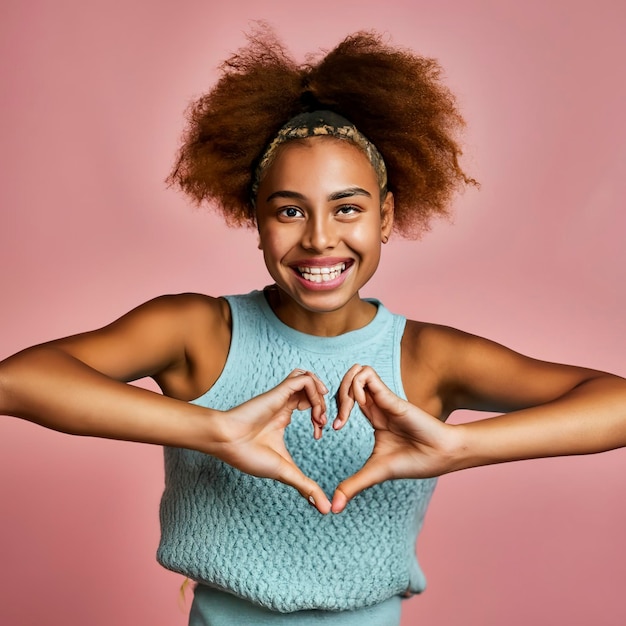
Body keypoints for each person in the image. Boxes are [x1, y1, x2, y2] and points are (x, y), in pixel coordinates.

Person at [1, 27, 625, 626]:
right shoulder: (195, 330)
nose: (320, 238)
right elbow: (17, 382)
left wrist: (460, 448)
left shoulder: (429, 357)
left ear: (386, 216)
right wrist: (214, 430)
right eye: (290, 210)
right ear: (256, 219)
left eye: (347, 208)